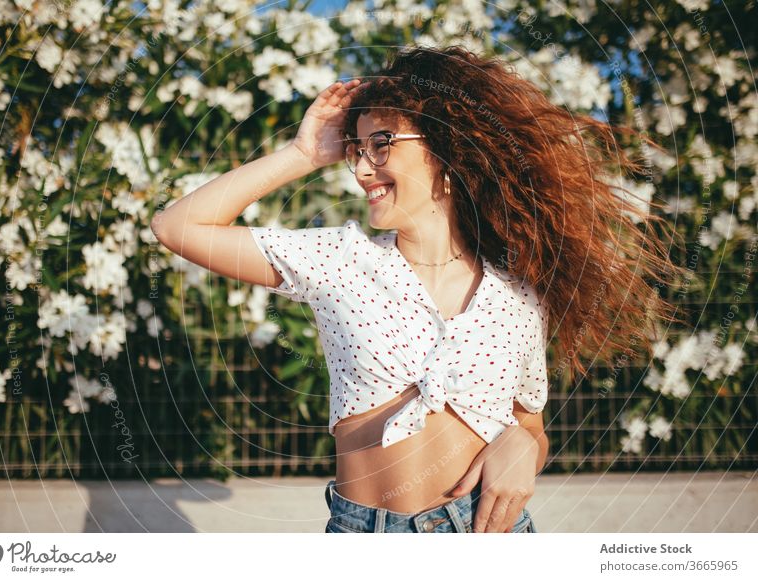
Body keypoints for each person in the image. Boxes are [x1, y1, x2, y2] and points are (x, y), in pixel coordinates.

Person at [150, 45, 685, 533]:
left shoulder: (519, 297)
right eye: (355, 148)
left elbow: (530, 427)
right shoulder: (338, 259)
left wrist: (525, 446)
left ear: (447, 153)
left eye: (380, 144)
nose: (360, 167)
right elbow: (178, 227)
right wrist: (304, 155)